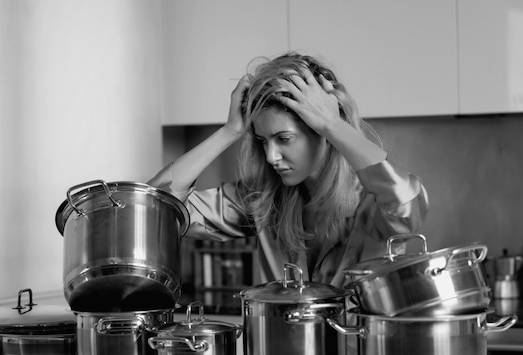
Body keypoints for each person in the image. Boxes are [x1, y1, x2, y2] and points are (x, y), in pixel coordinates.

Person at [148, 52, 429, 287]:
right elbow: (157, 210)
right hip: (281, 353)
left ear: (323, 133)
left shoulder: (372, 202)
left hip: (365, 353)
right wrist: (230, 131)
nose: (271, 156)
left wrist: (333, 124)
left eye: (284, 139)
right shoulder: (264, 200)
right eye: (262, 141)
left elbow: (406, 204)